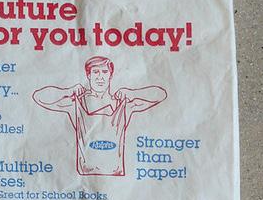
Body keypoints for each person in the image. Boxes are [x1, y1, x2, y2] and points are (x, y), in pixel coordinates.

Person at [32, 56, 167, 176]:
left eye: (104, 72)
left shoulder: (123, 104)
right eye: (95, 72)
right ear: (89, 75)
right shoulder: (76, 103)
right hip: (84, 176)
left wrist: (132, 93)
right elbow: (38, 97)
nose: (100, 77)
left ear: (110, 76)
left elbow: (160, 94)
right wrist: (68, 91)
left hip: (117, 179)